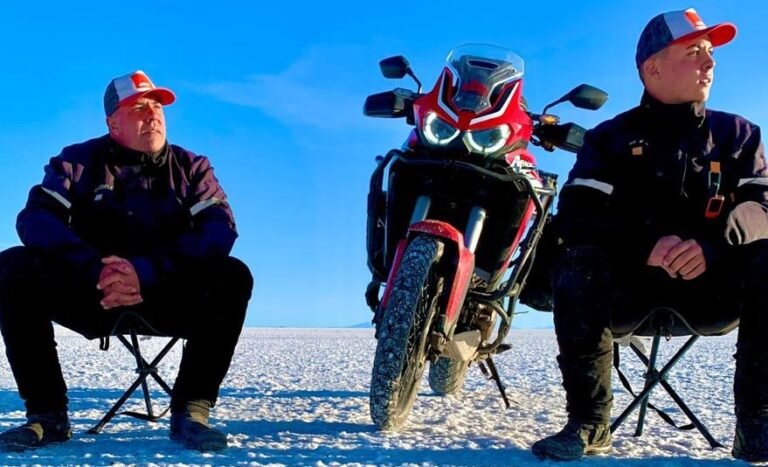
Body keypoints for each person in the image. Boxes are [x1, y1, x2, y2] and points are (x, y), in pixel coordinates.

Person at [530, 8, 768, 462]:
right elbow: (579, 212)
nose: (709, 62)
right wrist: (645, 246)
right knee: (576, 258)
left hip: (714, 290)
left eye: (711, 53)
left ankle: (758, 423)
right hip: (625, 290)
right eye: (694, 51)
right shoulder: (609, 138)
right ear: (652, 67)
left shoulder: (739, 134)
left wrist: (714, 245)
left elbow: (764, 207)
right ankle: (589, 422)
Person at [0, 71, 253, 452]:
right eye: (137, 108)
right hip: (92, 294)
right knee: (13, 267)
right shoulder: (77, 162)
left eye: (156, 106)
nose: (152, 115)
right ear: (112, 122)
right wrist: (94, 268)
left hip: (165, 294)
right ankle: (47, 415)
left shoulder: (192, 167)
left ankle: (191, 412)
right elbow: (35, 219)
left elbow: (219, 230)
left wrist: (146, 273)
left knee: (232, 276)